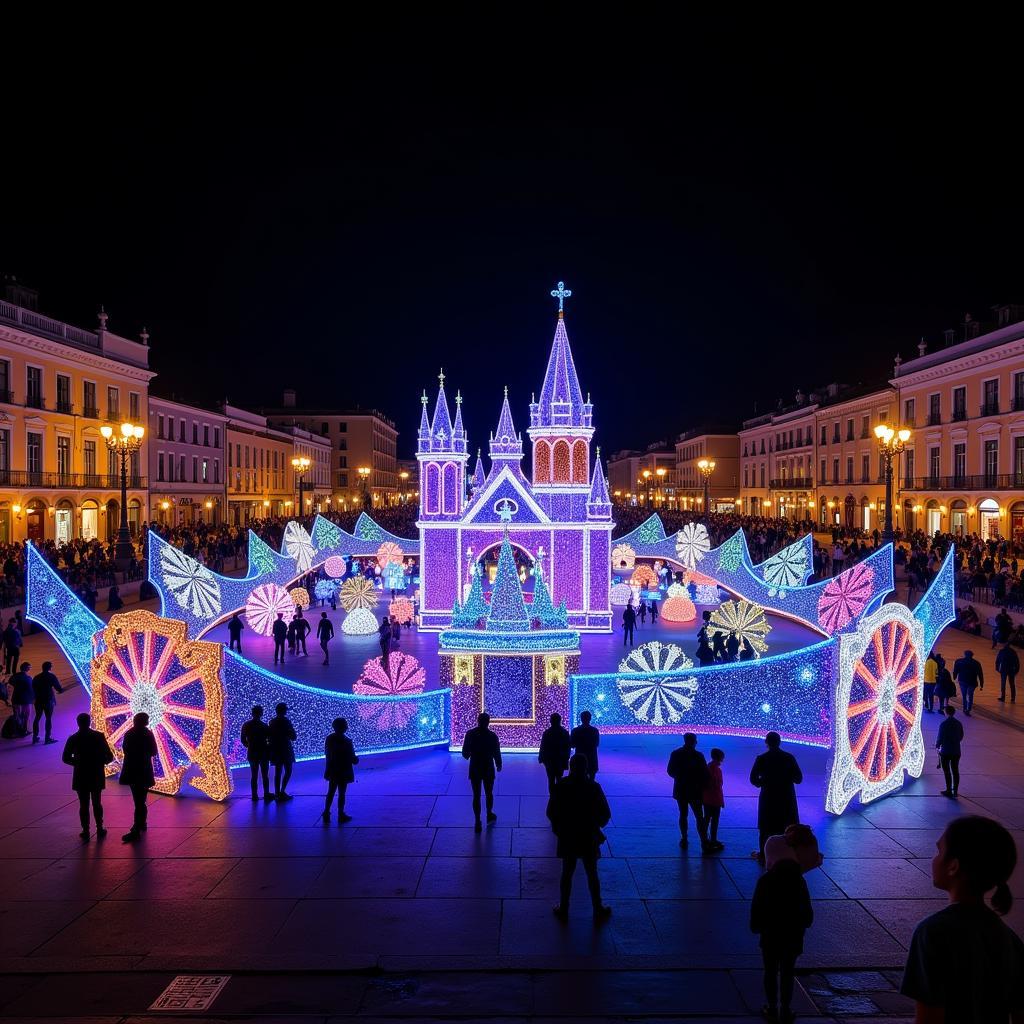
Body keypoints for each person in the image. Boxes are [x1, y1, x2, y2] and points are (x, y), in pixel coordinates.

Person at [901, 816, 1024, 1021]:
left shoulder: (932, 933)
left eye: (939, 851)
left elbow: (929, 1017)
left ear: (953, 866)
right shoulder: (1009, 938)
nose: (934, 859)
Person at [547, 753, 612, 922]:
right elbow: (605, 814)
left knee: (567, 873)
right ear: (586, 767)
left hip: (568, 836)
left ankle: (564, 907)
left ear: (571, 766)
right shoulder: (593, 787)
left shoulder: (561, 786)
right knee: (592, 874)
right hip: (588, 836)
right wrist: (594, 826)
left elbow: (551, 812)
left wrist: (559, 830)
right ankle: (597, 907)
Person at [750, 853, 814, 1023]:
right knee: (787, 973)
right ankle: (785, 1008)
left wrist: (756, 926)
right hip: (793, 937)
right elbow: (808, 916)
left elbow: (756, 907)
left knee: (770, 972)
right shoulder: (799, 882)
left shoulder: (765, 881)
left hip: (770, 936)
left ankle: (772, 1007)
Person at [750, 732, 803, 861]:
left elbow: (753, 779)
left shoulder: (762, 759)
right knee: (787, 826)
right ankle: (789, 855)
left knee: (766, 827)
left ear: (766, 742)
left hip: (768, 798)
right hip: (786, 798)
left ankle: (764, 854)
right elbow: (798, 778)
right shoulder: (789, 758)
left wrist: (764, 783)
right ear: (779, 742)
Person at [62, 713, 114, 840]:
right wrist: (101, 762)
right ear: (89, 722)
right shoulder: (98, 736)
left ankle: (85, 830)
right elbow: (109, 756)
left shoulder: (73, 738)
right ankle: (100, 828)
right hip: (96, 773)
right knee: (97, 803)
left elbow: (65, 758)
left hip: (81, 775)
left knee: (83, 804)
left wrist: (78, 763)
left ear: (78, 723)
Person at [666, 733, 710, 851]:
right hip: (695, 790)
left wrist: (680, 778)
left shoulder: (676, 753)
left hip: (681, 789)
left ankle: (684, 838)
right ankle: (704, 841)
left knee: (683, 814)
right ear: (694, 741)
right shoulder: (698, 756)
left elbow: (670, 771)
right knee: (699, 816)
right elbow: (705, 774)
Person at [119, 712, 157, 843]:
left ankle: (137, 827)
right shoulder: (148, 734)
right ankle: (140, 824)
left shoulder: (129, 734)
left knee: (138, 800)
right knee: (141, 799)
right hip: (144, 770)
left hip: (132, 770)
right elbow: (153, 752)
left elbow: (125, 750)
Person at [461, 712, 502, 832]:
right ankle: (489, 814)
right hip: (488, 768)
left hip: (475, 768)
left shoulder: (470, 734)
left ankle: (477, 821)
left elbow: (465, 754)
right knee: (489, 793)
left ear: (478, 720)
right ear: (488, 722)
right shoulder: (492, 736)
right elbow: (496, 753)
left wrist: (471, 753)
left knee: (476, 795)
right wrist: (499, 764)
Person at [323, 717, 358, 823]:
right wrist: (356, 759)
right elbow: (353, 759)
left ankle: (326, 811)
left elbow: (327, 755)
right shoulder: (347, 741)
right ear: (345, 728)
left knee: (331, 791)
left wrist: (327, 768)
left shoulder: (329, 739)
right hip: (344, 770)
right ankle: (341, 813)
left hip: (333, 769)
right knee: (342, 793)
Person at [240, 705, 272, 801]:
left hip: (252, 752)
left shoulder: (246, 725)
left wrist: (249, 746)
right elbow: (269, 739)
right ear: (261, 713)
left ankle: (254, 795)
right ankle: (266, 794)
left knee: (254, 775)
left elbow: (243, 740)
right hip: (263, 753)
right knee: (265, 775)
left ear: (252, 713)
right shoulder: (264, 726)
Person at [268, 702, 297, 800]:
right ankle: (282, 791)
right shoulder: (286, 721)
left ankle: (277, 793)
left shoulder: (272, 722)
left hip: (276, 749)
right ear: (284, 711)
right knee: (288, 771)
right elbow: (293, 736)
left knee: (278, 772)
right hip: (286, 749)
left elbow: (269, 736)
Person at [31, 661, 64, 744]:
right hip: (48, 700)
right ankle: (47, 738)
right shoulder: (51, 676)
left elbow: (33, 688)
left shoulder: (37, 677)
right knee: (48, 718)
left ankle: (35, 737)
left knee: (37, 717)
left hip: (38, 700)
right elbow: (58, 687)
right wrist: (61, 690)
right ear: (50, 668)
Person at [538, 712, 572, 794]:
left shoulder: (547, 733)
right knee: (559, 778)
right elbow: (568, 747)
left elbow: (543, 746)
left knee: (551, 780)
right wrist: (566, 758)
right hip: (560, 759)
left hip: (549, 761)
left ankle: (552, 798)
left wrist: (541, 758)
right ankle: (559, 797)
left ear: (551, 721)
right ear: (560, 721)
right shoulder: (565, 732)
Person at [936, 705, 964, 798]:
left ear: (946, 712)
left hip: (946, 751)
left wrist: (938, 745)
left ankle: (948, 789)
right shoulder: (958, 723)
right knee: (955, 770)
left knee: (947, 771)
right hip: (956, 750)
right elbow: (961, 736)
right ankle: (955, 790)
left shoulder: (944, 724)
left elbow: (940, 737)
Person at [702, 748, 726, 851]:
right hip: (713, 799)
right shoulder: (715, 769)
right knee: (712, 820)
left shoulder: (709, 768)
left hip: (709, 799)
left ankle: (708, 840)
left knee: (707, 819)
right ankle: (710, 840)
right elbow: (717, 786)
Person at [570, 710, 600, 780]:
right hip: (592, 759)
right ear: (590, 718)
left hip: (579, 759)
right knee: (591, 781)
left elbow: (572, 745)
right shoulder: (594, 730)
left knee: (579, 781)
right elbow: (597, 744)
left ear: (581, 718)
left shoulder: (575, 730)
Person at [952, 649, 983, 716]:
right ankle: (969, 709)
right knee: (970, 695)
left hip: (962, 680)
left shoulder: (959, 661)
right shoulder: (976, 663)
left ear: (965, 654)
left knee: (964, 695)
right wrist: (981, 684)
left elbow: (955, 670)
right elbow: (980, 674)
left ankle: (964, 708)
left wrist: (954, 676)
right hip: (972, 682)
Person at [9, 661, 32, 736]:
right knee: (25, 715)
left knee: (16, 715)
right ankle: (24, 730)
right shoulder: (28, 678)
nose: (30, 669)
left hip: (15, 698)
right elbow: (30, 688)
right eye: (29, 667)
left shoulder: (15, 676)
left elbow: (11, 682)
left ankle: (16, 731)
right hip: (25, 699)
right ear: (27, 669)